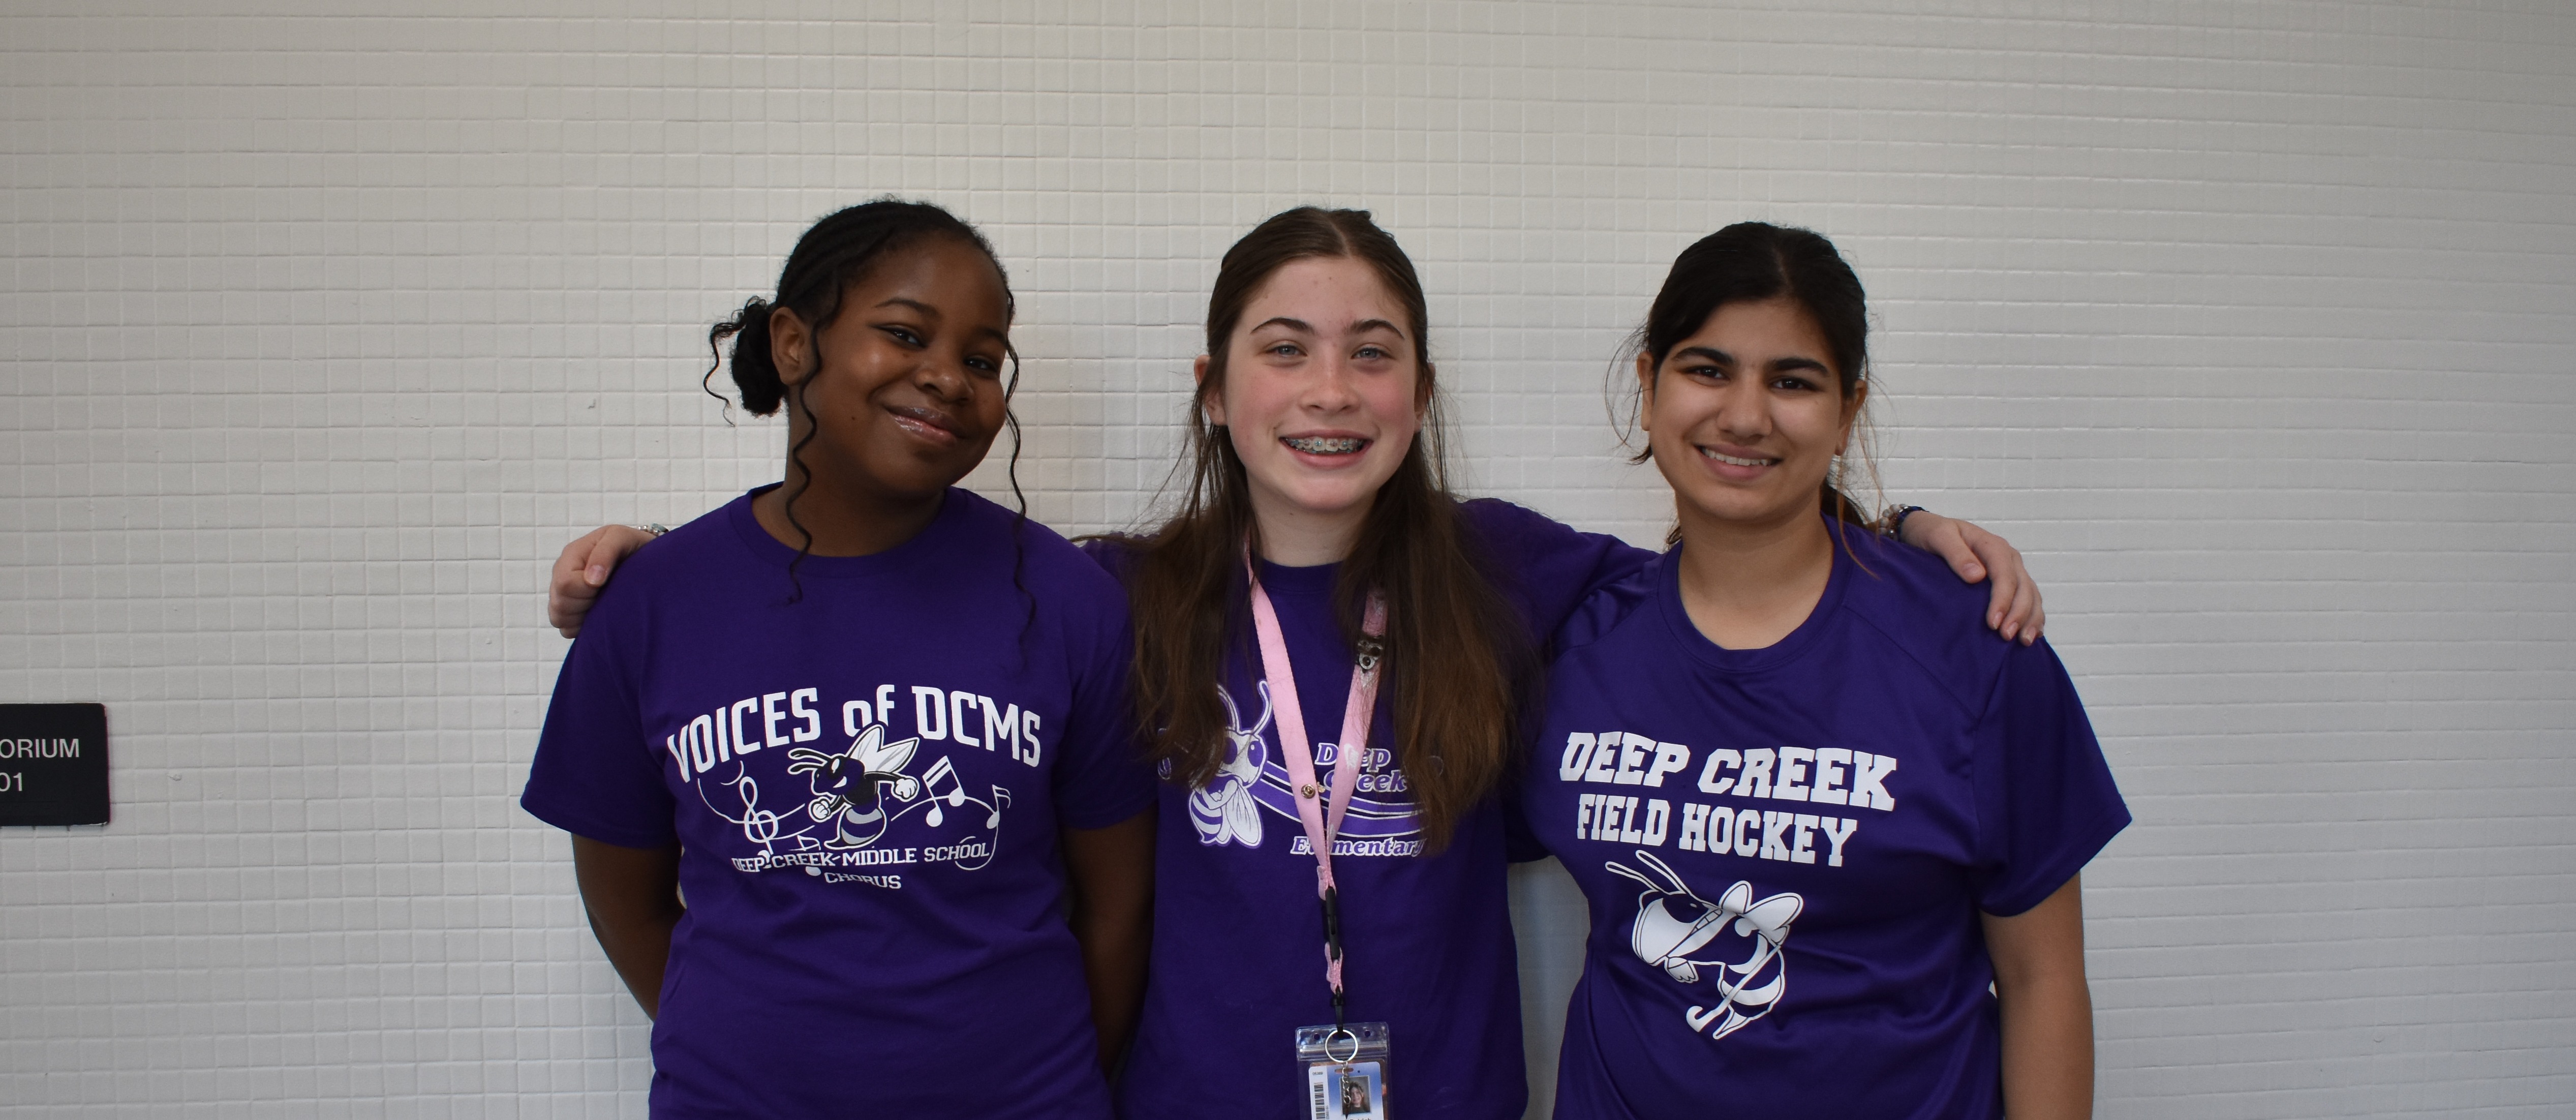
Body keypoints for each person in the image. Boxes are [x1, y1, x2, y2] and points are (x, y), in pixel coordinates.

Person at [543, 208, 2047, 1120]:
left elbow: (1735, 547)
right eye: (1282, 346)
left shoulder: (1516, 574)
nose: (1329, 389)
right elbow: (892, 571)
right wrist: (675, 554)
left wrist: (1902, 523)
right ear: (1212, 392)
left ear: (1421, 389)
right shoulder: (1099, 595)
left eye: (1371, 348)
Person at [520, 199, 1154, 1119]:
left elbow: (1118, 912)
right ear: (792, 343)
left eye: (982, 360)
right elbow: (625, 897)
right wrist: (749, 1055)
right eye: (904, 333)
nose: (947, 378)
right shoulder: (654, 604)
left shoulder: (1068, 602)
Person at [1516, 222, 2128, 1119]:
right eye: (1708, 369)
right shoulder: (1575, 638)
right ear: (1649, 388)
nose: (1746, 415)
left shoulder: (1974, 648)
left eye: (1792, 381)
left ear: (1847, 410)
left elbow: (2042, 979)